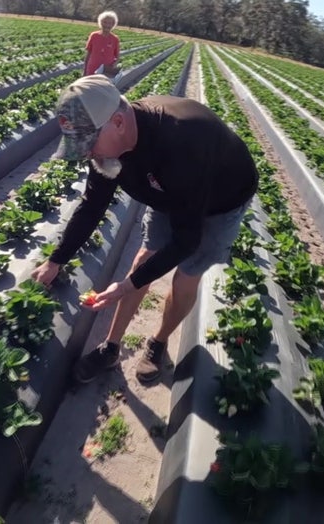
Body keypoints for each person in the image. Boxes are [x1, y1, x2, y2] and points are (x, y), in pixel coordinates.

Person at [31, 75, 259, 384]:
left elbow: (187, 239)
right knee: (144, 258)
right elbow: (92, 205)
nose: (86, 153)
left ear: (118, 123)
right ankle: (110, 347)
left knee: (185, 277)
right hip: (168, 189)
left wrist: (125, 285)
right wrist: (55, 260)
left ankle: (159, 341)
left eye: (88, 143)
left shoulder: (181, 141)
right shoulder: (105, 150)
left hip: (222, 200)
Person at [84, 11, 120, 78]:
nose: (107, 25)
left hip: (105, 72)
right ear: (100, 22)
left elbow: (117, 57)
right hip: (92, 68)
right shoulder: (94, 35)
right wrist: (85, 70)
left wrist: (113, 66)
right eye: (105, 22)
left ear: (113, 25)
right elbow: (88, 53)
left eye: (110, 23)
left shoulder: (115, 39)